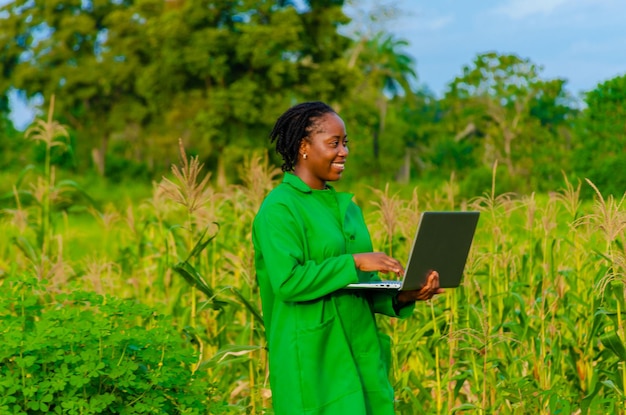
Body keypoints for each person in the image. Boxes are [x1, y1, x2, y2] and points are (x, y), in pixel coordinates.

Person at [252, 101, 442, 414]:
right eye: (334, 143)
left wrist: (405, 295)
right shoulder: (280, 208)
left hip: (359, 356)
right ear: (304, 146)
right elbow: (287, 282)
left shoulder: (347, 209)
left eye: (346, 143)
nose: (344, 152)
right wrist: (353, 262)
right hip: (313, 361)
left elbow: (360, 288)